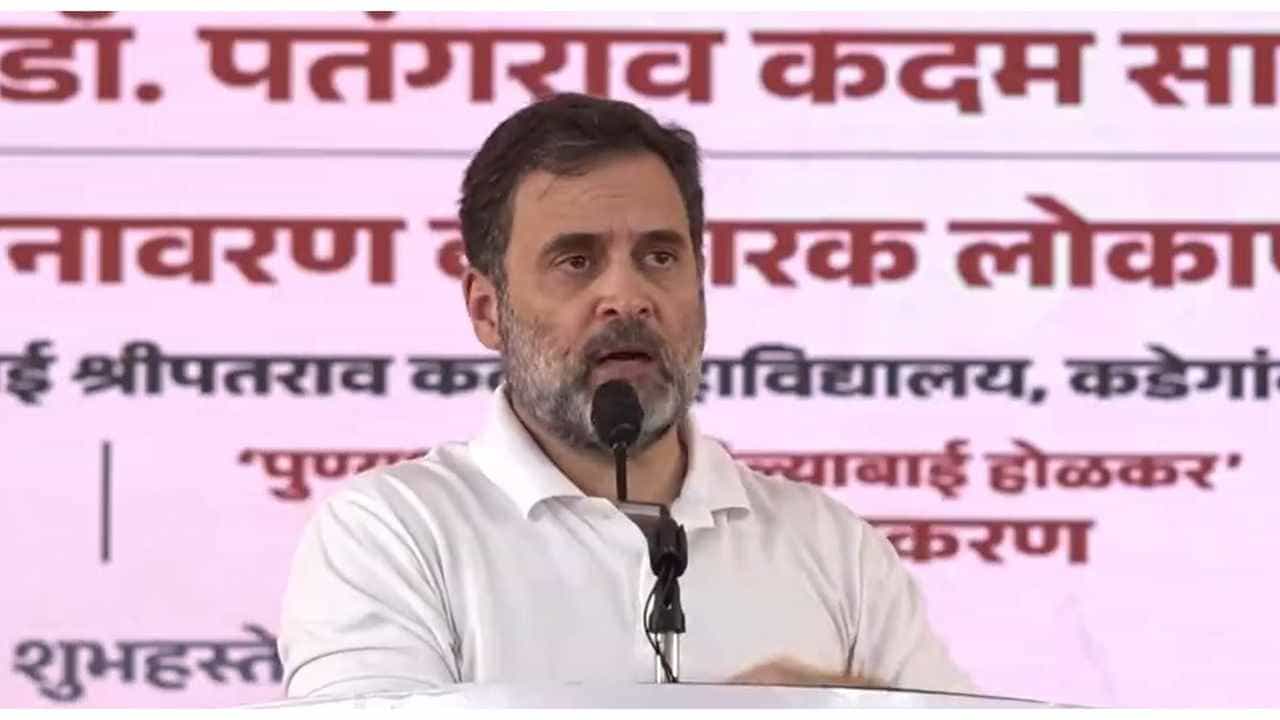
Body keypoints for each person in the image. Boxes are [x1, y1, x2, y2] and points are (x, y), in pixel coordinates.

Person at [277, 92, 974, 698]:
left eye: (659, 257)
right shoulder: (393, 535)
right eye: (576, 261)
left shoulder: (830, 547)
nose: (626, 296)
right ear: (488, 310)